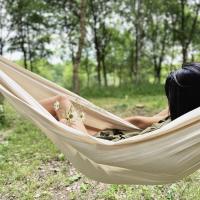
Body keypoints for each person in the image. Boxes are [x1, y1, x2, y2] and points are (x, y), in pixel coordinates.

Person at [40, 63, 200, 141]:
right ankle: (64, 127)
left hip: (104, 145)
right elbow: (137, 121)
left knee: (61, 101)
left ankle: (61, 126)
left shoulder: (176, 124)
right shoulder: (179, 117)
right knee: (63, 111)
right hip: (108, 136)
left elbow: (137, 121)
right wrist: (105, 123)